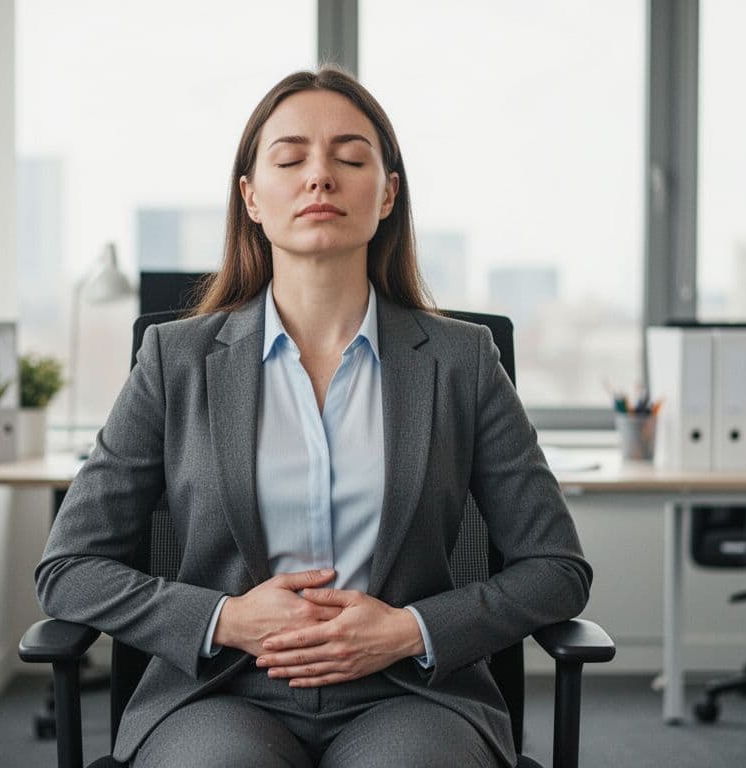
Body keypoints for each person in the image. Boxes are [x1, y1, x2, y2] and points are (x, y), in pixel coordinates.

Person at [36, 67, 591, 768]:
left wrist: (410, 630)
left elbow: (557, 569)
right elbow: (69, 568)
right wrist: (226, 619)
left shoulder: (463, 361)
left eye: (351, 158)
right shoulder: (174, 362)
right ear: (252, 198)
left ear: (387, 192)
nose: (320, 178)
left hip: (409, 693)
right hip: (220, 691)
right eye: (291, 159)